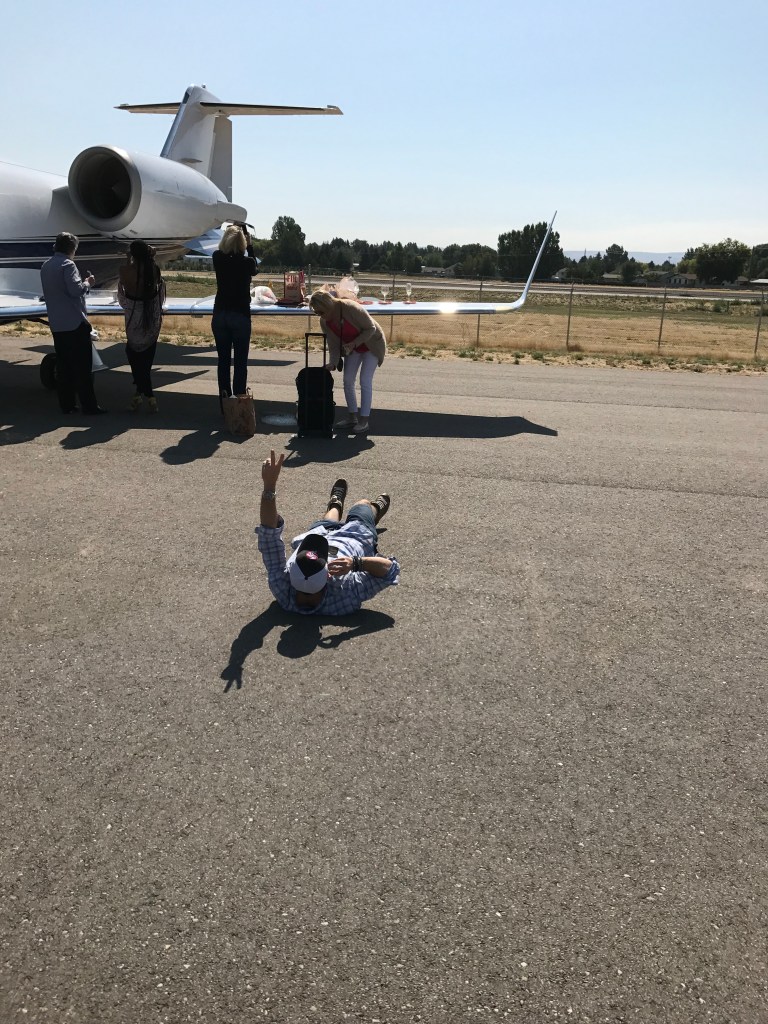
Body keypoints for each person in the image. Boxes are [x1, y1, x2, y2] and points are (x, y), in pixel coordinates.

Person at [257, 450, 400, 615]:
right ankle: (374, 509)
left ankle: (335, 504)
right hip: (355, 536)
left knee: (327, 521)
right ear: (328, 578)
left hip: (321, 532)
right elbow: (391, 570)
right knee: (362, 505)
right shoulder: (345, 592)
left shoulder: (283, 588)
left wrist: (269, 486)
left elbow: (269, 535)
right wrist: (356, 563)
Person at [39, 231, 104, 415]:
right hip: (75, 324)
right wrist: (88, 283)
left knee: (64, 367)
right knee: (83, 369)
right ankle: (89, 406)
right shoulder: (68, 265)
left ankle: (67, 405)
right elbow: (76, 291)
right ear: (72, 249)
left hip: (57, 324)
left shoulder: (46, 266)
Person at [309, 290, 387, 434]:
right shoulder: (324, 321)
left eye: (321, 312)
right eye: (317, 313)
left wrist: (353, 344)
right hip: (352, 348)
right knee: (347, 380)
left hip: (372, 345)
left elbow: (371, 328)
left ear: (328, 306)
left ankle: (364, 420)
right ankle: (352, 417)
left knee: (365, 380)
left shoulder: (351, 308)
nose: (320, 316)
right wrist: (333, 362)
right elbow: (333, 345)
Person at [212, 222, 258, 403]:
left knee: (223, 362)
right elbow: (255, 268)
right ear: (243, 243)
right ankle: (238, 403)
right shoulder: (247, 262)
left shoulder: (217, 257)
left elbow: (224, 253)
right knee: (240, 363)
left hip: (221, 314)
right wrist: (250, 245)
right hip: (240, 315)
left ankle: (225, 403)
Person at [117, 240, 166, 412]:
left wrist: (128, 259)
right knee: (146, 359)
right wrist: (150, 259)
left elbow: (122, 298)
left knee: (133, 353)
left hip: (134, 321)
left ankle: (146, 394)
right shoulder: (154, 270)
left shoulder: (125, 271)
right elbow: (159, 289)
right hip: (151, 319)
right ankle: (145, 395)